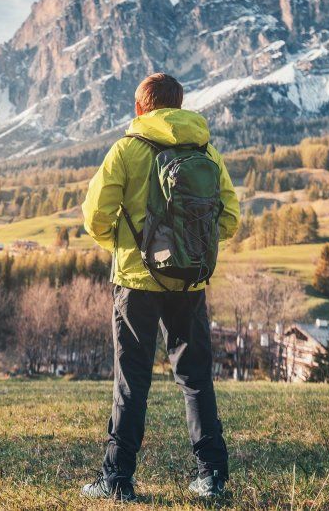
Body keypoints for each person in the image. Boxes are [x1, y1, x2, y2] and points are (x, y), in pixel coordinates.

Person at [80, 72, 240, 501]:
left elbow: (95, 215)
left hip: (135, 282)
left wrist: (119, 244)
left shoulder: (128, 149)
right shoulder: (206, 149)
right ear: (180, 104)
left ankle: (117, 480)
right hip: (189, 282)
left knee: (131, 379)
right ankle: (212, 477)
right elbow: (229, 218)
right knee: (195, 378)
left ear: (140, 108)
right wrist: (192, 249)